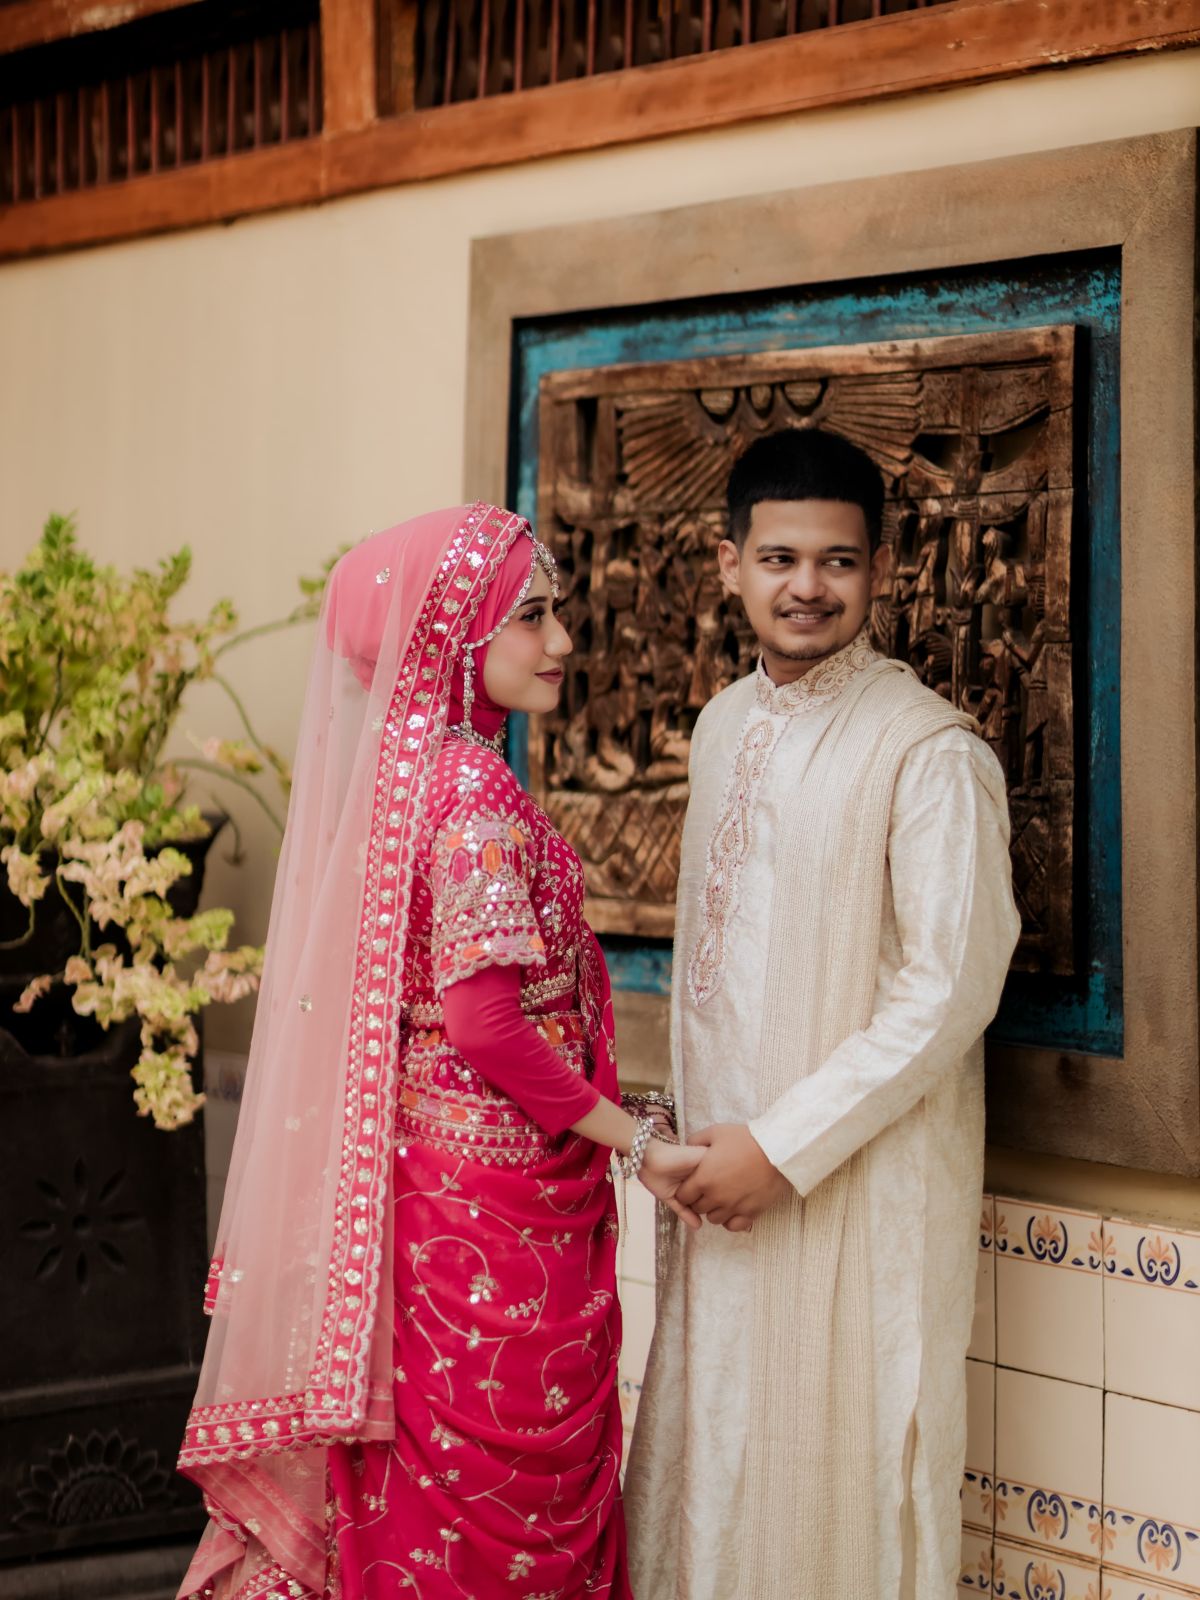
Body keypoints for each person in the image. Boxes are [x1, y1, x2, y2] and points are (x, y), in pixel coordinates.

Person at [176, 504, 702, 1600]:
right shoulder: (470, 794)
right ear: (456, 633)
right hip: (489, 1217)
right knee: (491, 1513)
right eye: (532, 617)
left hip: (437, 1194)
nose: (563, 642)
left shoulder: (405, 777)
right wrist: (637, 1141)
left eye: (556, 613)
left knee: (435, 1499)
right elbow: (485, 1024)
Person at [625, 430, 1020, 1600]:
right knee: (717, 1469)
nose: (808, 586)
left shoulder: (928, 751)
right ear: (729, 564)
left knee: (839, 1480)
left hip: (853, 1191)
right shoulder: (720, 727)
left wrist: (780, 1148)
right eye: (780, 558)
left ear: (882, 569)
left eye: (838, 561)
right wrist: (694, 1142)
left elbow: (949, 987)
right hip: (722, 1191)